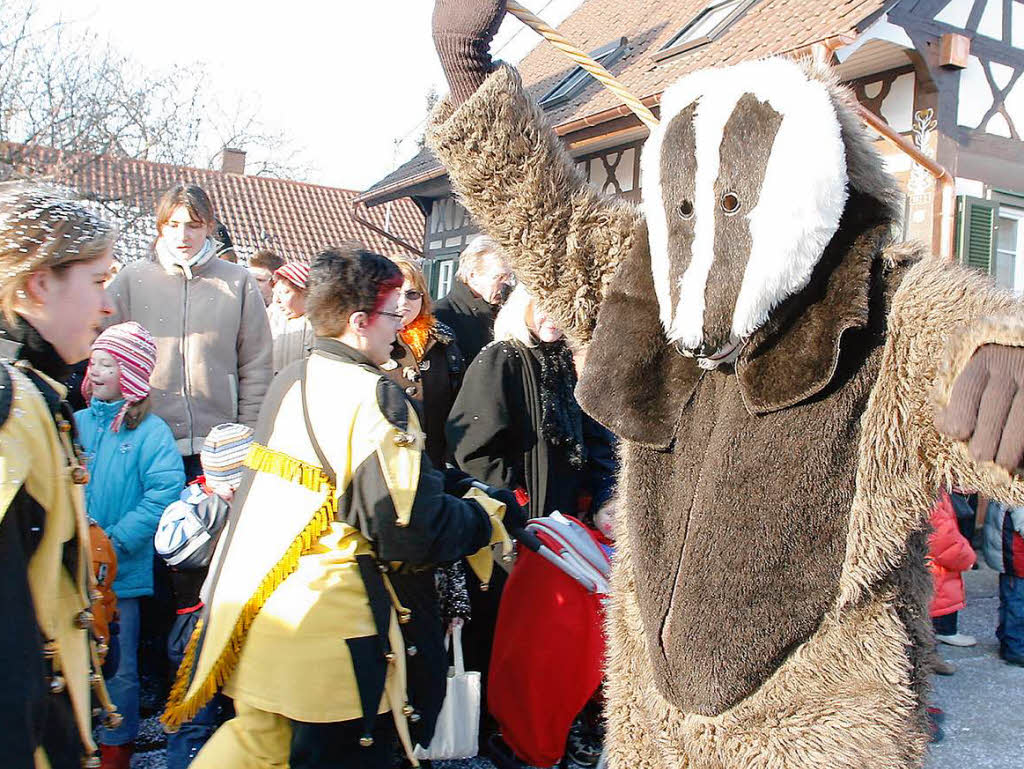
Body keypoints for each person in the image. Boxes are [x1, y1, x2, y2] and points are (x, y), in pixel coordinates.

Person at [161, 243, 524, 769]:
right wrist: (486, 516)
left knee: (252, 750)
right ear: (359, 320)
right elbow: (405, 530)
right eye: (392, 311)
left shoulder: (293, 379)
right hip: (335, 653)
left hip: (266, 629)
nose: (400, 324)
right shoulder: (373, 395)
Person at [0, 182, 118, 768]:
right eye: (96, 282)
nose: (108, 304)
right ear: (37, 283)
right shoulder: (11, 409)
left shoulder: (33, 390)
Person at [74, 321, 185, 769]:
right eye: (94, 361)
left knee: (118, 668)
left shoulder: (150, 433)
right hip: (70, 571)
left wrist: (112, 542)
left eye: (109, 363)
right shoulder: (76, 423)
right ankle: (77, 740)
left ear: (133, 373)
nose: (96, 370)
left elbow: (163, 492)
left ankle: (116, 750)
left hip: (121, 574)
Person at [107, 183, 272, 478]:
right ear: (161, 227)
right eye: (173, 224)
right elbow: (103, 353)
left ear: (209, 226)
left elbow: (256, 363)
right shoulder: (132, 279)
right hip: (145, 437)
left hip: (219, 444)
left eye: (194, 226)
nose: (183, 235)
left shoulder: (238, 282)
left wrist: (247, 431)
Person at [155, 422, 255, 769]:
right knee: (193, 724)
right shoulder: (189, 507)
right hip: (197, 634)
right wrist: (220, 505)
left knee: (243, 721)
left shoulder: (260, 511)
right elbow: (177, 550)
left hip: (246, 633)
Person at [385, 257, 464, 467]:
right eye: (395, 293)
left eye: (412, 294)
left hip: (435, 464)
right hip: (388, 467)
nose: (403, 303)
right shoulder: (368, 341)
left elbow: (458, 407)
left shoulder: (442, 341)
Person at [433, 235, 512, 362]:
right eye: (499, 277)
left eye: (508, 277)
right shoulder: (440, 316)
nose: (506, 284)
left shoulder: (509, 313)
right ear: (473, 276)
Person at [982, 499, 1024, 667]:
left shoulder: (1006, 489)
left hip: (1011, 561)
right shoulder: (1018, 495)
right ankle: (1015, 649)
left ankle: (1008, 641)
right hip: (1017, 561)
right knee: (1016, 606)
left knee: (1011, 602)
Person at [269, 260, 314, 375]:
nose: (277, 300)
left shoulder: (321, 325)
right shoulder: (269, 320)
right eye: (275, 293)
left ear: (305, 292)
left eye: (284, 292)